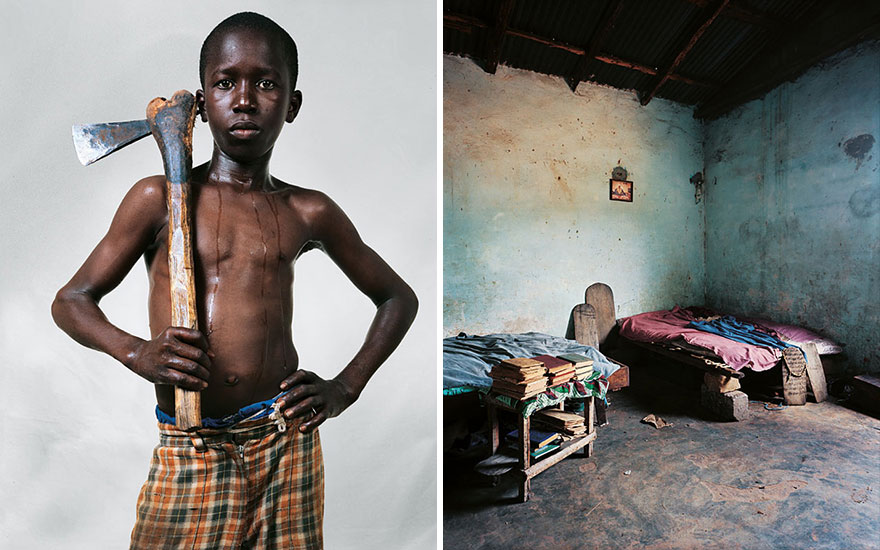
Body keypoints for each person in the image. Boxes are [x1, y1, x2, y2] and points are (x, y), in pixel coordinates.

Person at [51, 11, 418, 550]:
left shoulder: (307, 210)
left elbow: (396, 297)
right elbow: (71, 301)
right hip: (193, 446)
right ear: (200, 104)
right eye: (225, 82)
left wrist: (344, 387)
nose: (244, 99)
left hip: (285, 442)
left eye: (266, 83)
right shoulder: (159, 198)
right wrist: (136, 353)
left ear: (291, 105)